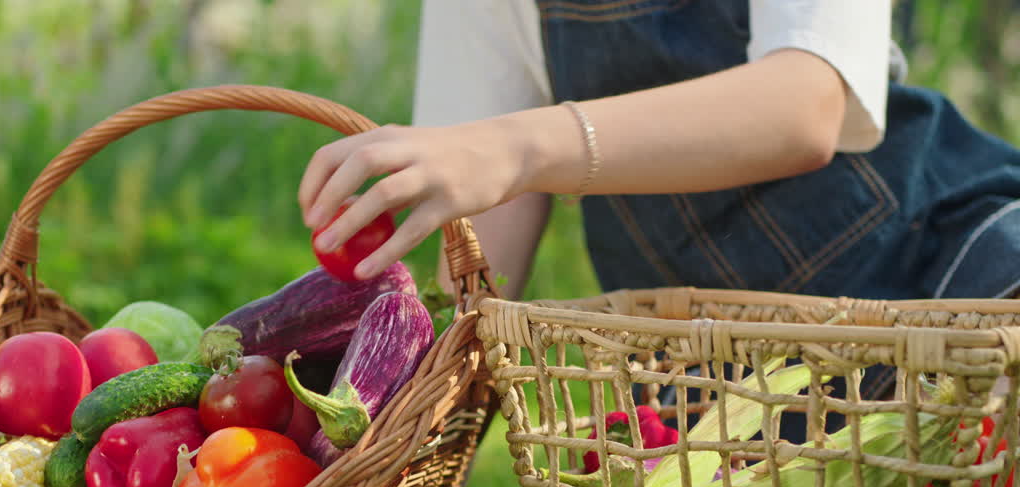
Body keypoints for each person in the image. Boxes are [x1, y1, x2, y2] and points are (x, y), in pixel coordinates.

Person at [298, 0, 1020, 310]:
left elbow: (808, 103)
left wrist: (516, 144)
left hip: (939, 268)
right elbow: (488, 216)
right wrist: (427, 433)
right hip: (711, 370)